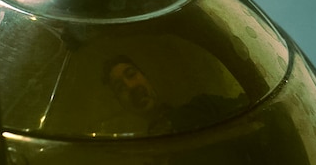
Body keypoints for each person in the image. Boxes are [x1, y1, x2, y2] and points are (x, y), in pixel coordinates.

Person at [101, 55, 248, 135]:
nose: (131, 86)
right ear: (120, 103)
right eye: (120, 88)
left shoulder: (204, 108)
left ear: (146, 77)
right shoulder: (147, 155)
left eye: (132, 74)